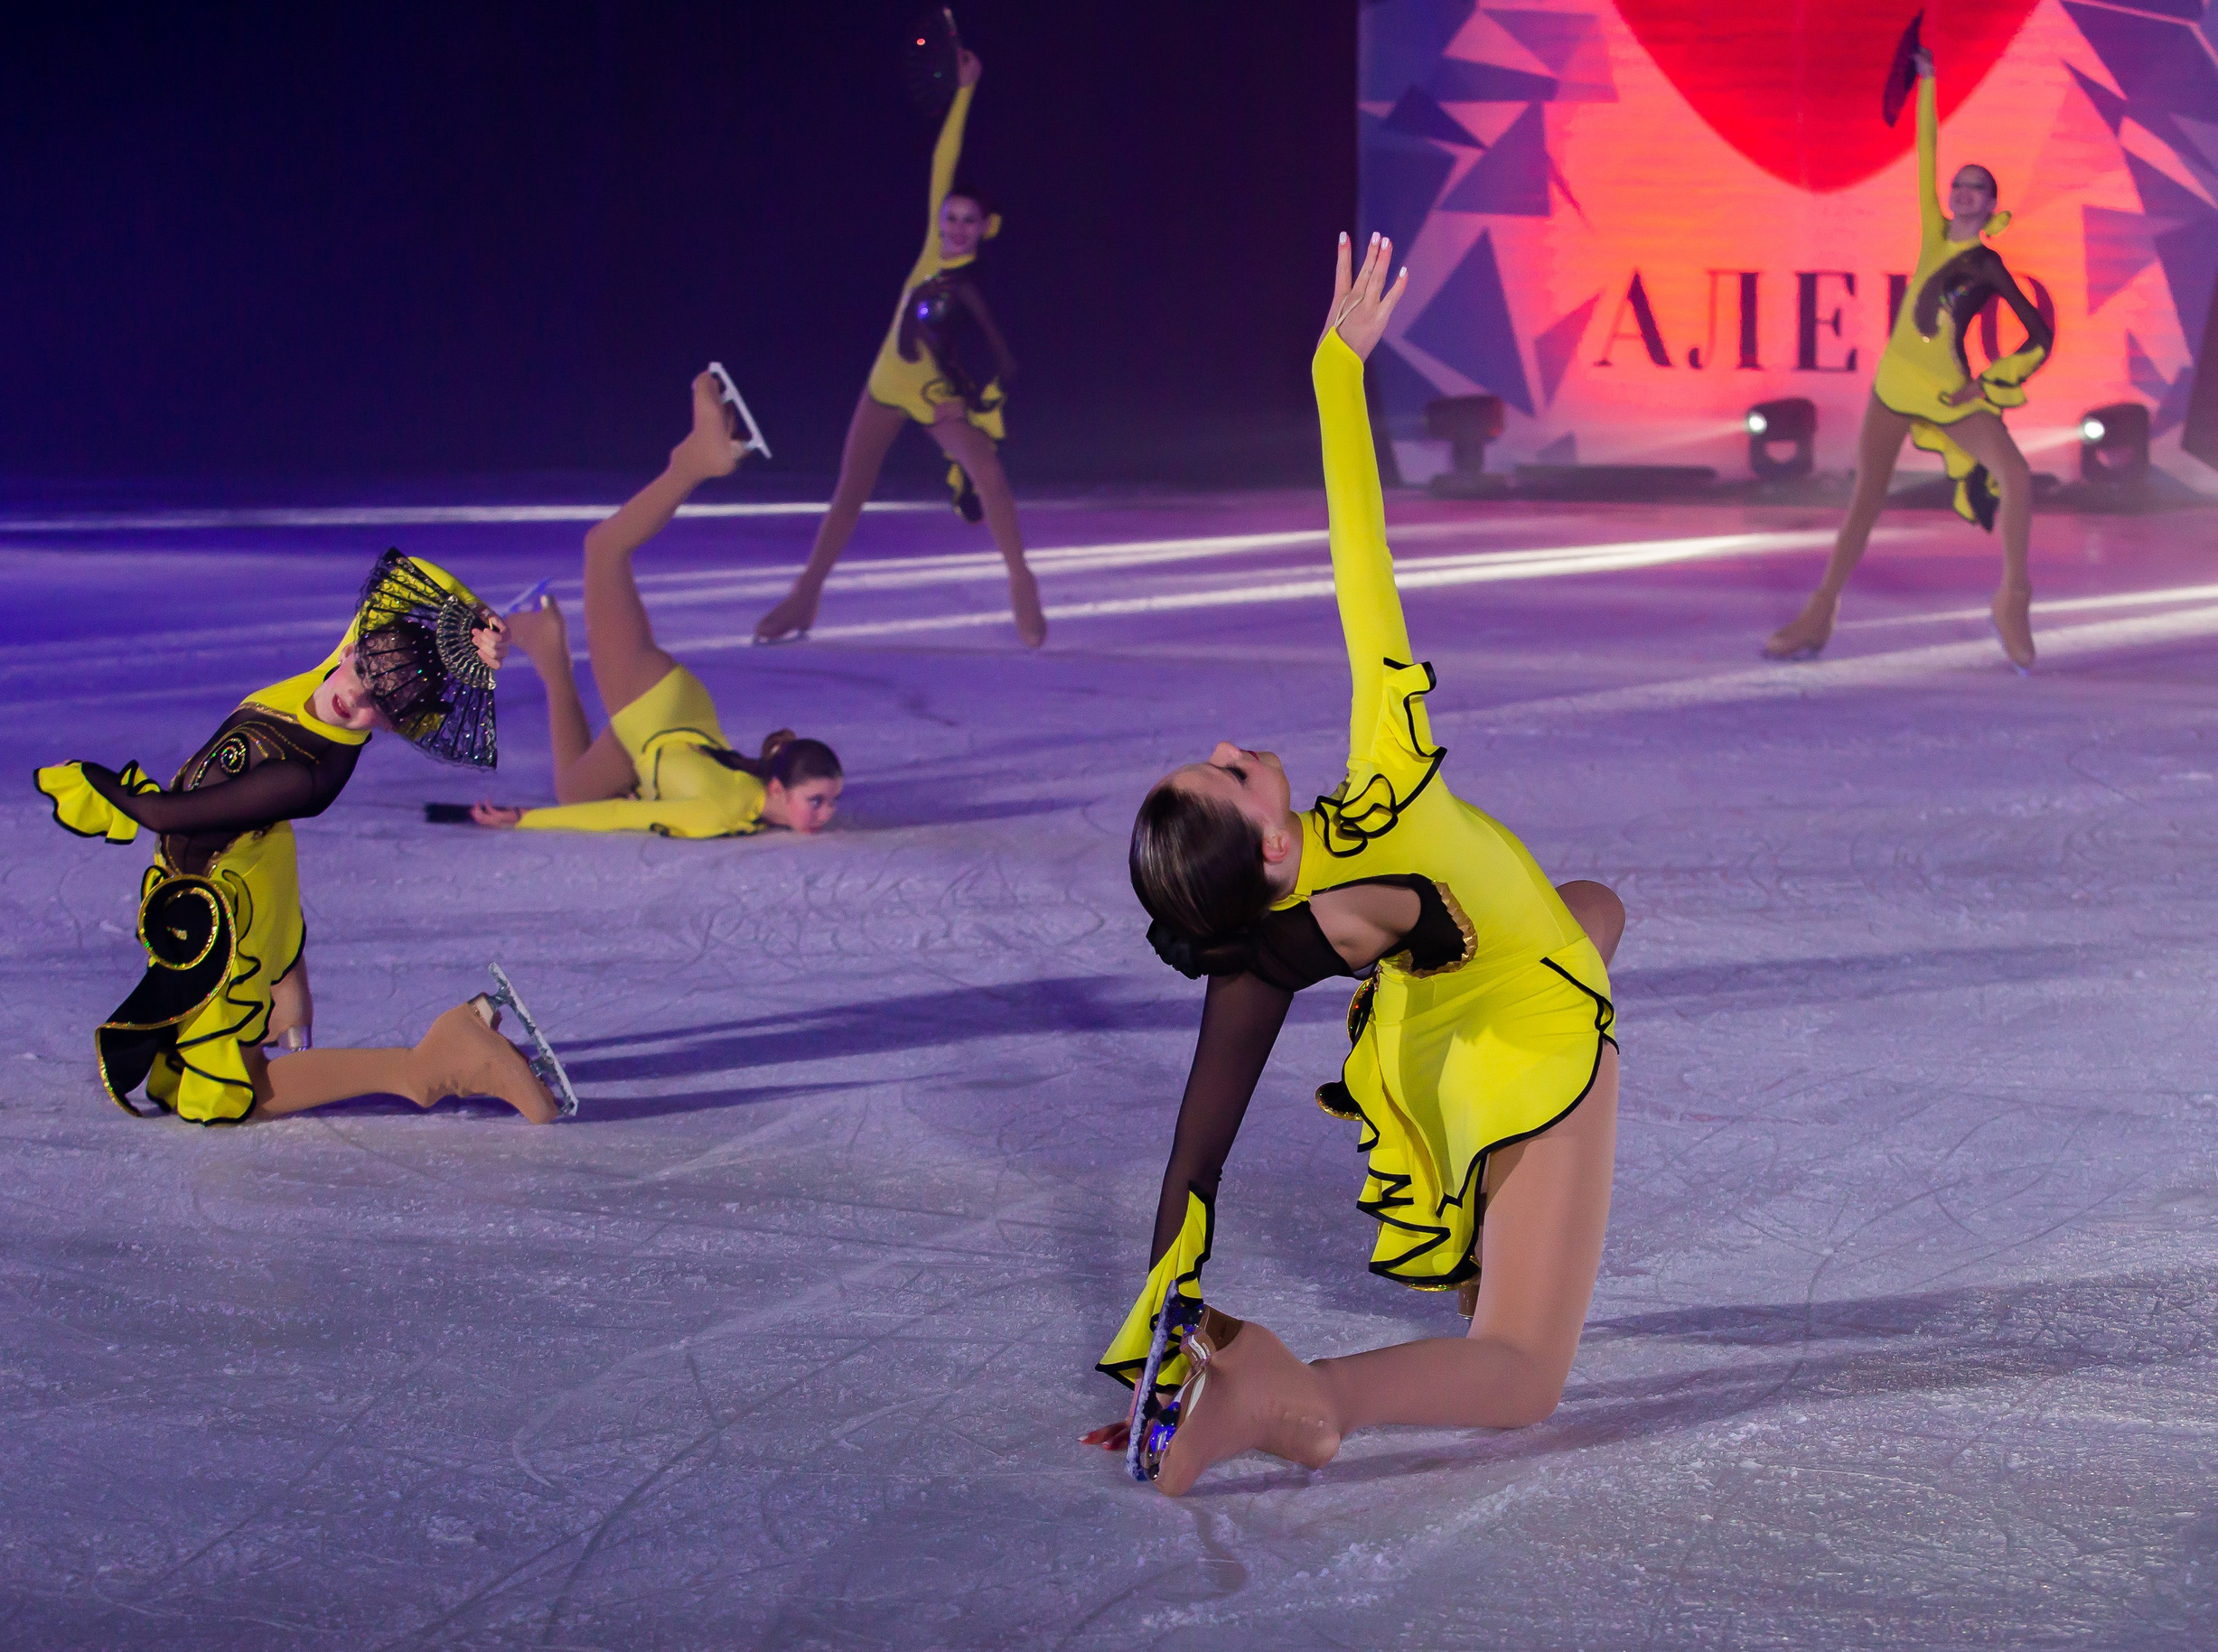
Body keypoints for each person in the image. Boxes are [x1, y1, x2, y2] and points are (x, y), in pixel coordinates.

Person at [1080, 235, 1628, 1496]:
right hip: (1523, 1035)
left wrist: (1154, 1372)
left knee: (1593, 906)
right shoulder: (1388, 769)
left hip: (1429, 1044)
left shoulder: (1256, 951)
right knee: (1522, 1371)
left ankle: (1478, 1241)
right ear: (1271, 842)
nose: (1232, 745)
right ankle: (1311, 1399)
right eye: (1226, 771)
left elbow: (1191, 1168)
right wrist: (1340, 373)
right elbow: (1358, 557)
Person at [36, 551, 564, 1125]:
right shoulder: (330, 672)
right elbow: (407, 571)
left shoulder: (307, 778)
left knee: (229, 1095)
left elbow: (167, 815)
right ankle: (295, 1027)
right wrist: (477, 615)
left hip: (224, 903)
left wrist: (97, 781)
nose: (355, 699)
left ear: (395, 724)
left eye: (379, 706)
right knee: (199, 1058)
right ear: (353, 649)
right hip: (233, 870)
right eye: (363, 676)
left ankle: (431, 1064)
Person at [1764, 43, 2052, 670]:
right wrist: (1928, 83)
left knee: (2017, 477)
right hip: (1894, 386)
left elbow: (2039, 337)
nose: (1963, 192)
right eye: (1959, 185)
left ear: (1991, 203)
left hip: (1947, 393)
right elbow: (1927, 153)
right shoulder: (1932, 230)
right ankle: (1819, 614)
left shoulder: (1989, 266)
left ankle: (2013, 600)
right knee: (1865, 501)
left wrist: (1987, 385)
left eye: (1977, 187)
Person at [458, 370, 844, 838]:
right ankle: (693, 463)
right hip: (654, 709)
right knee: (604, 548)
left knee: (574, 791)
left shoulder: (748, 799)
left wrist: (646, 791)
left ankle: (547, 645)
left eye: (830, 801)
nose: (826, 814)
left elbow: (634, 803)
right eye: (816, 801)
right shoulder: (719, 813)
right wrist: (526, 820)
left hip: (669, 729)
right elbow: (623, 817)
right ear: (778, 790)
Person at [752, 42, 1044, 649]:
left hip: (937, 399)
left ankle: (1021, 581)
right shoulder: (932, 250)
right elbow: (945, 156)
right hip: (886, 386)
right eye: (950, 217)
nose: (955, 227)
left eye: (967, 220)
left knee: (989, 473)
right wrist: (965, 90)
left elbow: (996, 358)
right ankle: (805, 596)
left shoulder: (975, 286)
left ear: (984, 229)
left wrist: (964, 401)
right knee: (849, 493)